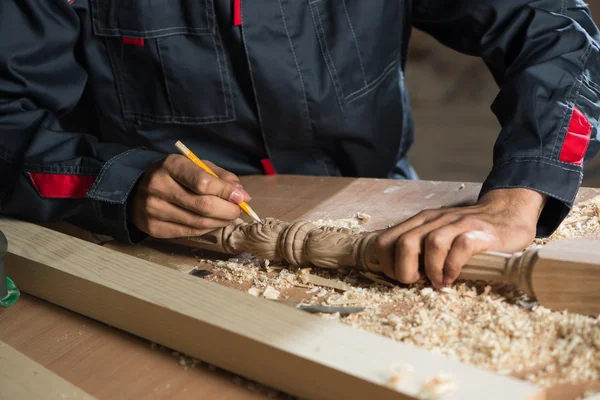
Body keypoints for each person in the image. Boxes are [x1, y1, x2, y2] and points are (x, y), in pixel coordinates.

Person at [1, 0, 599, 289]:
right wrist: (122, 183)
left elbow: (554, 30)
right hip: (153, 243)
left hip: (377, 211)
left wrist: (518, 198)